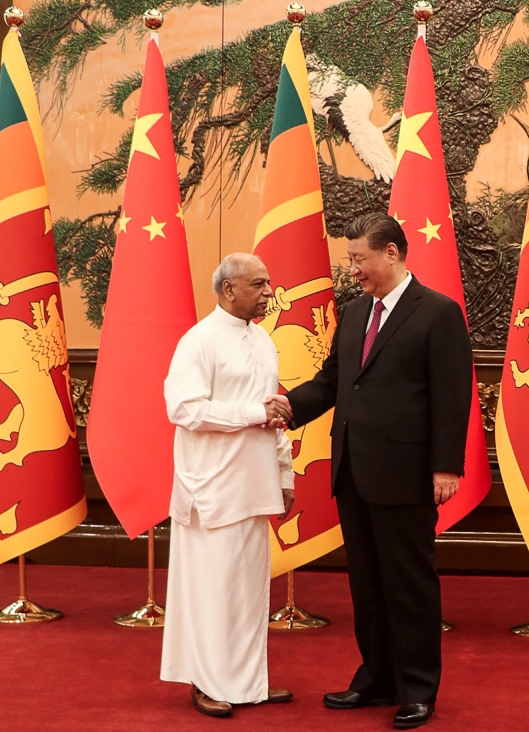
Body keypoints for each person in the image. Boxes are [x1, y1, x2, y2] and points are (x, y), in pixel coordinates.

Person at [271, 213, 473, 729]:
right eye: (350, 260)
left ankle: (418, 689)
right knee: (367, 585)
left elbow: (453, 397)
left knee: (409, 584)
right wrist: (286, 406)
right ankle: (376, 677)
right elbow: (335, 380)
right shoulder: (356, 311)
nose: (353, 270)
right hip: (355, 470)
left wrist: (446, 466)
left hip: (407, 473)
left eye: (360, 259)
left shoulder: (439, 313)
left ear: (393, 253)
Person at [160, 252, 296, 718]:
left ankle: (245, 683)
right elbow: (184, 409)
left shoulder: (263, 340)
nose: (268, 292)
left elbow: (276, 411)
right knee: (211, 589)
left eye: (269, 282)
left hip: (255, 483)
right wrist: (252, 414)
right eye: (258, 284)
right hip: (211, 486)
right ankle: (205, 681)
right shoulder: (198, 341)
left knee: (247, 590)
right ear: (227, 289)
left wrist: (284, 474)